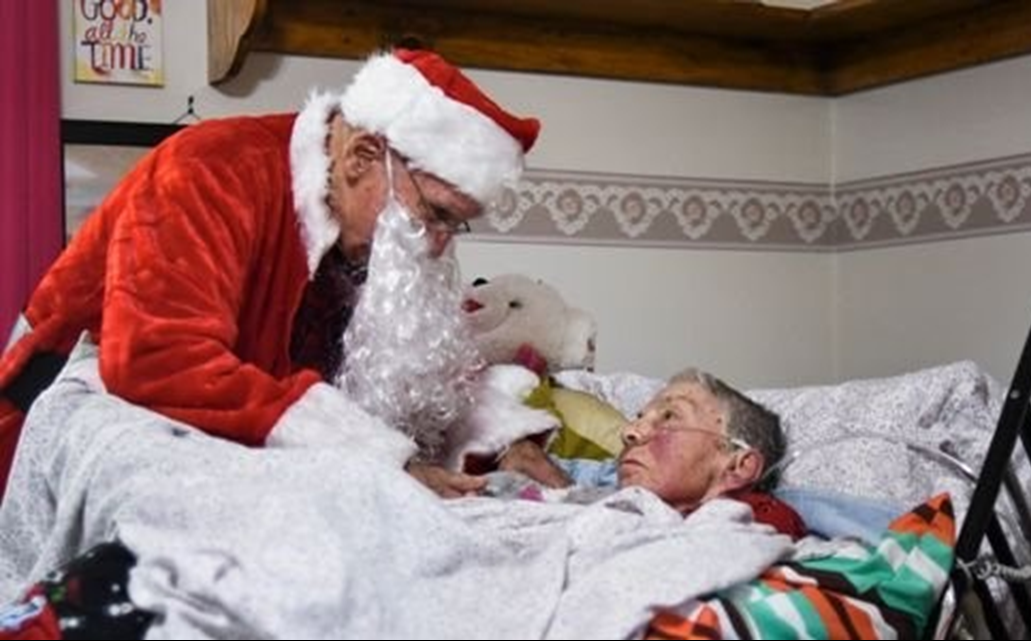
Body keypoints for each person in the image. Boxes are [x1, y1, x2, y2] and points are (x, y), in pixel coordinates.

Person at [0, 47, 541, 502]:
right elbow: (157, 358)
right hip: (56, 446)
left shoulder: (368, 235)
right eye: (435, 213)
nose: (438, 242)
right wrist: (376, 459)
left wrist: (500, 444)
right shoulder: (209, 169)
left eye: (454, 224)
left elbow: (421, 376)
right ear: (361, 155)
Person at [498, 368, 805, 536]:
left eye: (669, 416)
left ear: (738, 466)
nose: (629, 432)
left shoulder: (759, 522)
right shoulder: (601, 494)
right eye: (639, 417)